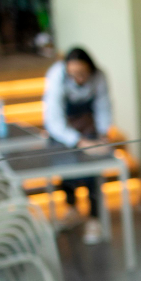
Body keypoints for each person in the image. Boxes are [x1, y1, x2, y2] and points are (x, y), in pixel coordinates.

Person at [43, 47, 113, 245]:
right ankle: (71, 209)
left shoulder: (99, 77)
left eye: (82, 73)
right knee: (64, 170)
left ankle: (94, 217)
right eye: (73, 74)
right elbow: (54, 119)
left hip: (87, 125)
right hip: (63, 131)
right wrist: (80, 142)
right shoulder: (56, 76)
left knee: (93, 172)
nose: (79, 78)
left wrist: (102, 136)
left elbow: (103, 106)